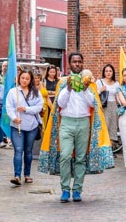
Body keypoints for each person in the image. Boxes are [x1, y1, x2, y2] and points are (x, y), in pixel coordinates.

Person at [38, 52, 114, 203]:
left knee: (80, 158)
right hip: (66, 122)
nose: (77, 64)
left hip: (84, 122)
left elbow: (94, 104)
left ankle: (77, 190)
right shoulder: (64, 82)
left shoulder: (90, 83)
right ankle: (65, 189)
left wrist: (85, 89)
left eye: (80, 61)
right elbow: (60, 104)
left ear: (82, 63)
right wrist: (68, 89)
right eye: (74, 62)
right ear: (69, 64)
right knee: (65, 156)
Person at [6, 70, 43, 185]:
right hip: (17, 126)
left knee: (28, 151)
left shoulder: (35, 92)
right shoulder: (13, 92)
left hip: (32, 126)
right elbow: (9, 107)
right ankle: (17, 175)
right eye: (22, 78)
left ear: (30, 80)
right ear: (19, 78)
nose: (24, 80)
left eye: (27, 78)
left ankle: (27, 174)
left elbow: (39, 107)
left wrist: (26, 109)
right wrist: (13, 118)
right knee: (18, 150)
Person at [96, 64, 120, 152]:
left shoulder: (117, 83)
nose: (108, 73)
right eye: (106, 71)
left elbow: (118, 97)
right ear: (104, 72)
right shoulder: (99, 82)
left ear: (113, 72)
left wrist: (122, 105)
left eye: (110, 71)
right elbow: (93, 95)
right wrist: (100, 90)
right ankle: (103, 151)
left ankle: (110, 152)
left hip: (114, 106)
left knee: (113, 128)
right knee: (104, 128)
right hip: (104, 107)